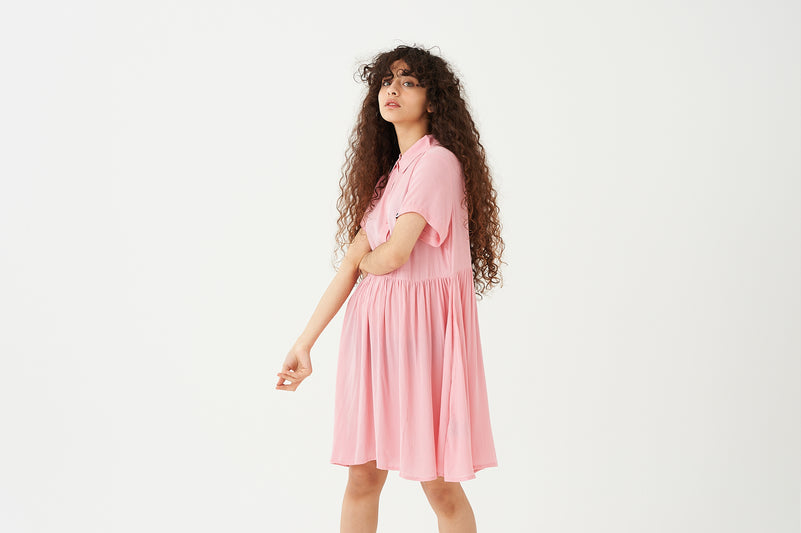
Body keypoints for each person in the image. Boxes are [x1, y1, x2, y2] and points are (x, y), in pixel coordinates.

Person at [275, 44, 505, 533]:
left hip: (421, 343)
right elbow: (349, 267)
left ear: (433, 99)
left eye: (408, 82)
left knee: (439, 485)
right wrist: (304, 342)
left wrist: (367, 260)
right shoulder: (390, 179)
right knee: (362, 478)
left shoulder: (437, 162)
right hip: (373, 341)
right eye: (386, 81)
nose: (393, 90)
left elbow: (393, 254)